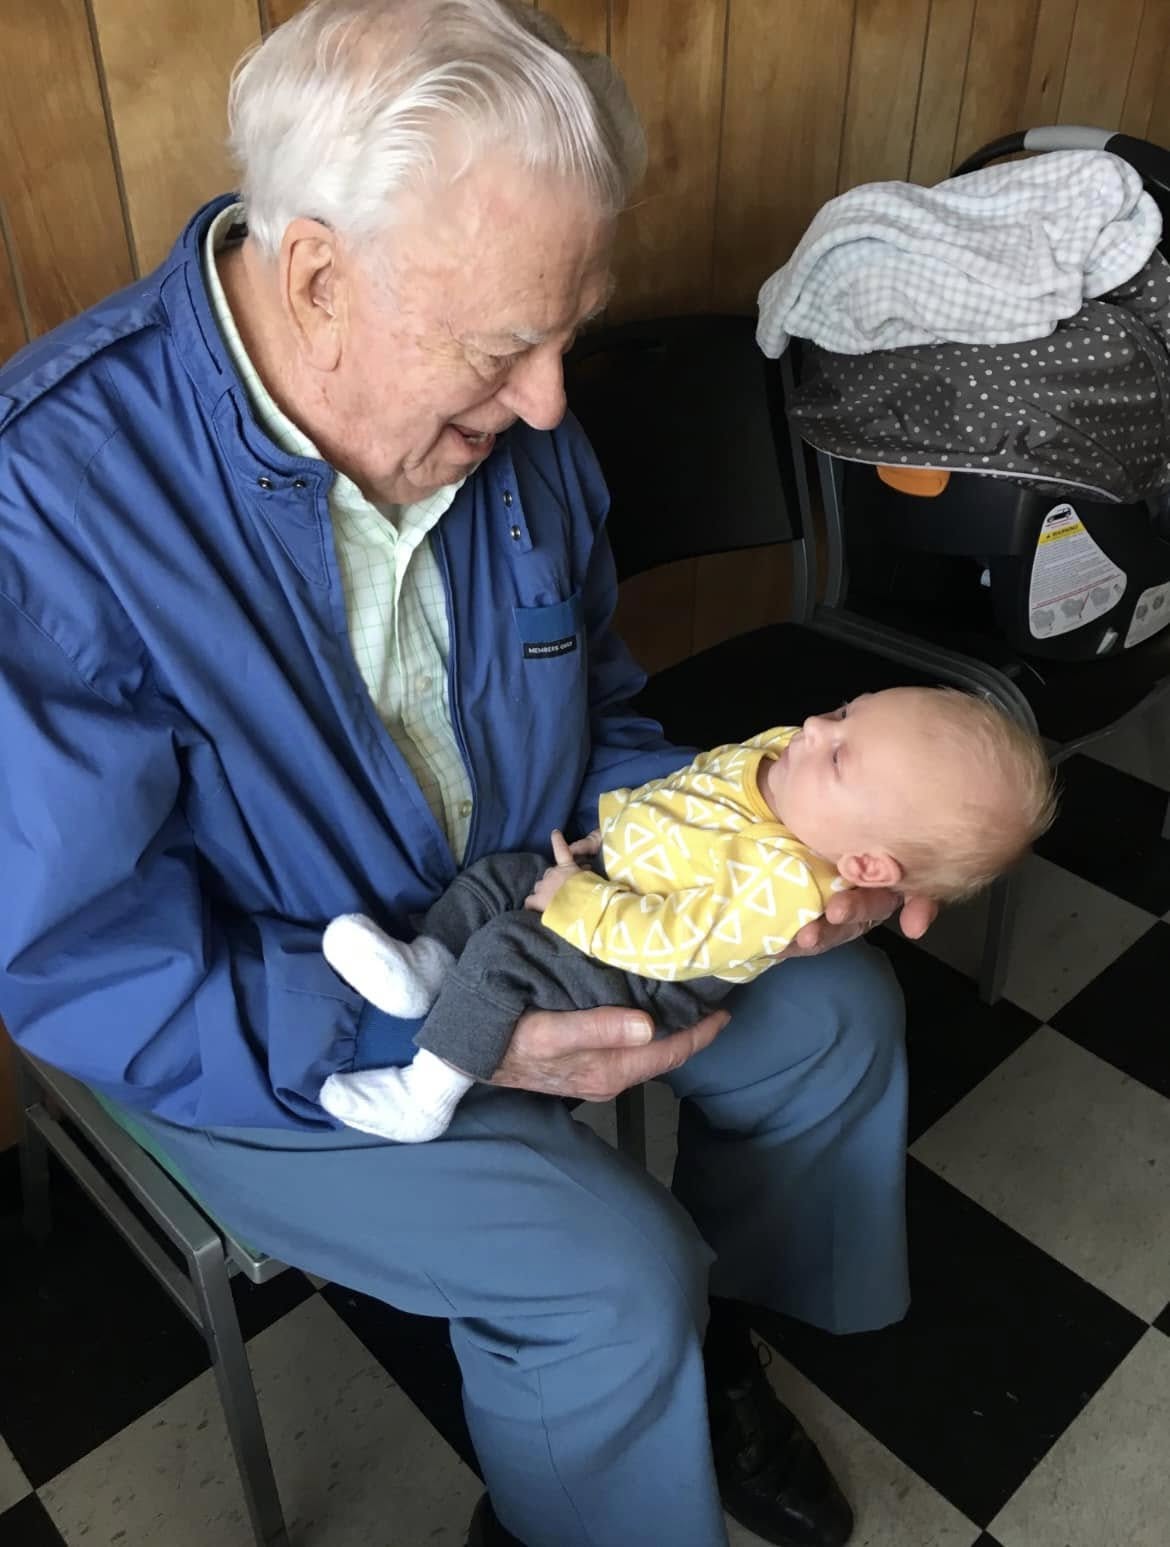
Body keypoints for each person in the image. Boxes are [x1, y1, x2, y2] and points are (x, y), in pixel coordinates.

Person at [0, 3, 937, 1543]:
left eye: (567, 333)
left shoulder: (504, 422)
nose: (556, 404)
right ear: (317, 278)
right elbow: (87, 967)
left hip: (536, 900)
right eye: (509, 345)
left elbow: (597, 717)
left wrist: (758, 836)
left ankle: (711, 1355)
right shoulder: (46, 504)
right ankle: (609, 1443)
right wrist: (466, 1038)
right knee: (604, 1268)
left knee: (836, 1009)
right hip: (259, 1025)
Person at [319, 687, 1054, 1142]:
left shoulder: (784, 888)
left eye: (839, 757)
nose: (812, 726)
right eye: (842, 711)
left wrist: (577, 899)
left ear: (863, 869)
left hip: (641, 967)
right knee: (498, 876)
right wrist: (619, 837)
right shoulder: (788, 770)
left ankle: (429, 1088)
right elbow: (692, 791)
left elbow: (675, 943)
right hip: (620, 881)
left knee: (510, 947)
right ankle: (424, 966)